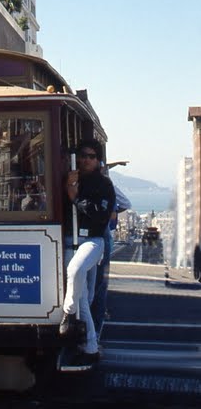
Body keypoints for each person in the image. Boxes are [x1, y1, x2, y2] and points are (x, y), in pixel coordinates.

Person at [59, 139, 115, 370]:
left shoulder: (104, 185)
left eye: (91, 156)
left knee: (76, 271)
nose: (86, 160)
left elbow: (100, 216)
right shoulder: (69, 178)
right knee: (82, 296)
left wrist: (74, 197)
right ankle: (90, 348)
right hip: (70, 240)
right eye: (83, 155)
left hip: (93, 241)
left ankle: (67, 314)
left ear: (98, 160)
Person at [91, 177, 131, 337]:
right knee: (99, 284)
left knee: (94, 286)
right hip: (104, 236)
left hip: (98, 236)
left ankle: (93, 331)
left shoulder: (102, 186)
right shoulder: (108, 186)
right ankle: (94, 330)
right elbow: (126, 204)